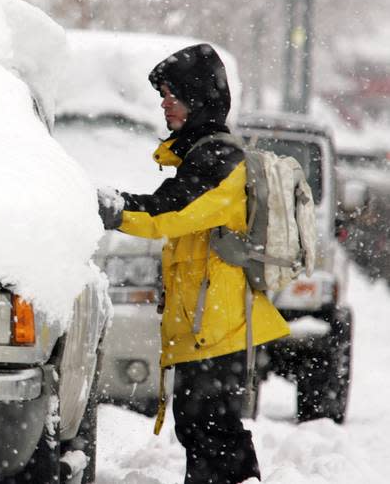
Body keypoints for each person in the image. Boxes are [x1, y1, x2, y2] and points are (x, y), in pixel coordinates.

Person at [96, 44, 290, 484]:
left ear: (200, 99)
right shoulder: (202, 156)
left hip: (220, 329)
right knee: (202, 427)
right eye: (163, 95)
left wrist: (111, 208)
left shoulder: (221, 161)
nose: (165, 105)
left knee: (211, 429)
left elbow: (171, 212)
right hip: (208, 326)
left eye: (173, 95)